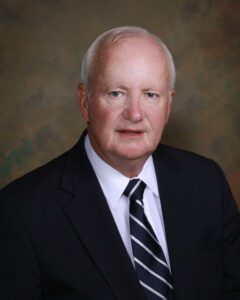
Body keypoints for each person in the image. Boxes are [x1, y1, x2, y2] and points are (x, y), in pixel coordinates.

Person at [0, 26, 239, 300]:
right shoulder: (20, 212)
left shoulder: (207, 181)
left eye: (150, 94)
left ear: (168, 106)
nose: (135, 114)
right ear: (84, 102)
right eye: (116, 93)